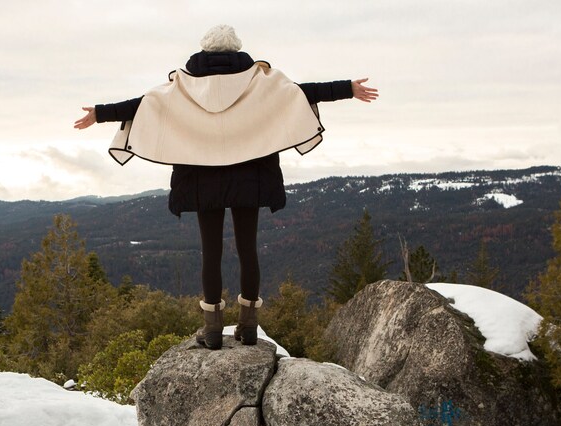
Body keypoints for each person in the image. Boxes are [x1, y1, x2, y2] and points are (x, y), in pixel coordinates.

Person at [74, 25, 377, 350]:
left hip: (203, 179)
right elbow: (301, 92)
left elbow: (144, 104)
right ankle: (248, 327)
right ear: (235, 49)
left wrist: (100, 113)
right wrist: (347, 88)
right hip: (250, 176)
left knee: (211, 253)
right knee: (248, 249)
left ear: (205, 50)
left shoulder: (183, 84)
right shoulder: (258, 79)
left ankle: (213, 330)